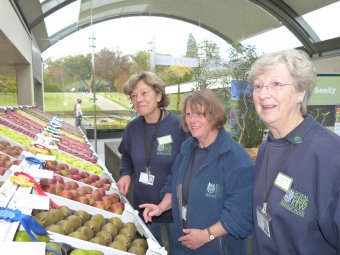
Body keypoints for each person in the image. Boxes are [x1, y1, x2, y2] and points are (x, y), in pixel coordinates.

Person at [248, 48, 340, 254]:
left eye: (276, 84)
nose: (263, 94)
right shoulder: (267, 147)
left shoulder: (330, 154)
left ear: (301, 92)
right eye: (258, 86)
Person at [140, 89, 254, 255]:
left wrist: (207, 235)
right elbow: (174, 184)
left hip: (217, 248)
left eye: (200, 114)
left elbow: (242, 214)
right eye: (188, 114)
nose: (192, 120)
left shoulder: (236, 159)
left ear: (214, 116)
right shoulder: (188, 149)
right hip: (185, 245)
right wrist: (161, 207)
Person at [117, 71, 188, 254]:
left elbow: (189, 165)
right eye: (133, 95)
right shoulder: (132, 128)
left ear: (158, 95)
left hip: (175, 209)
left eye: (144, 93)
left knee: (180, 250)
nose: (138, 99)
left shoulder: (180, 126)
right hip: (145, 207)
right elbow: (126, 156)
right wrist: (125, 173)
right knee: (150, 249)